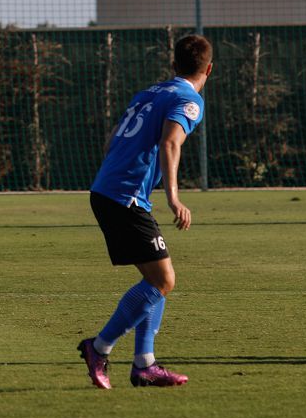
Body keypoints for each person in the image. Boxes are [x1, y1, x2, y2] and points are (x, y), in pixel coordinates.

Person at [78, 34, 213, 389]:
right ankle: (99, 346)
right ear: (208, 70)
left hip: (110, 190)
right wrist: (174, 198)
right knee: (164, 280)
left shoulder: (149, 93)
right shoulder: (190, 100)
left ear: (173, 66)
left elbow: (112, 140)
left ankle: (144, 365)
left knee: (156, 280)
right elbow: (171, 141)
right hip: (126, 198)